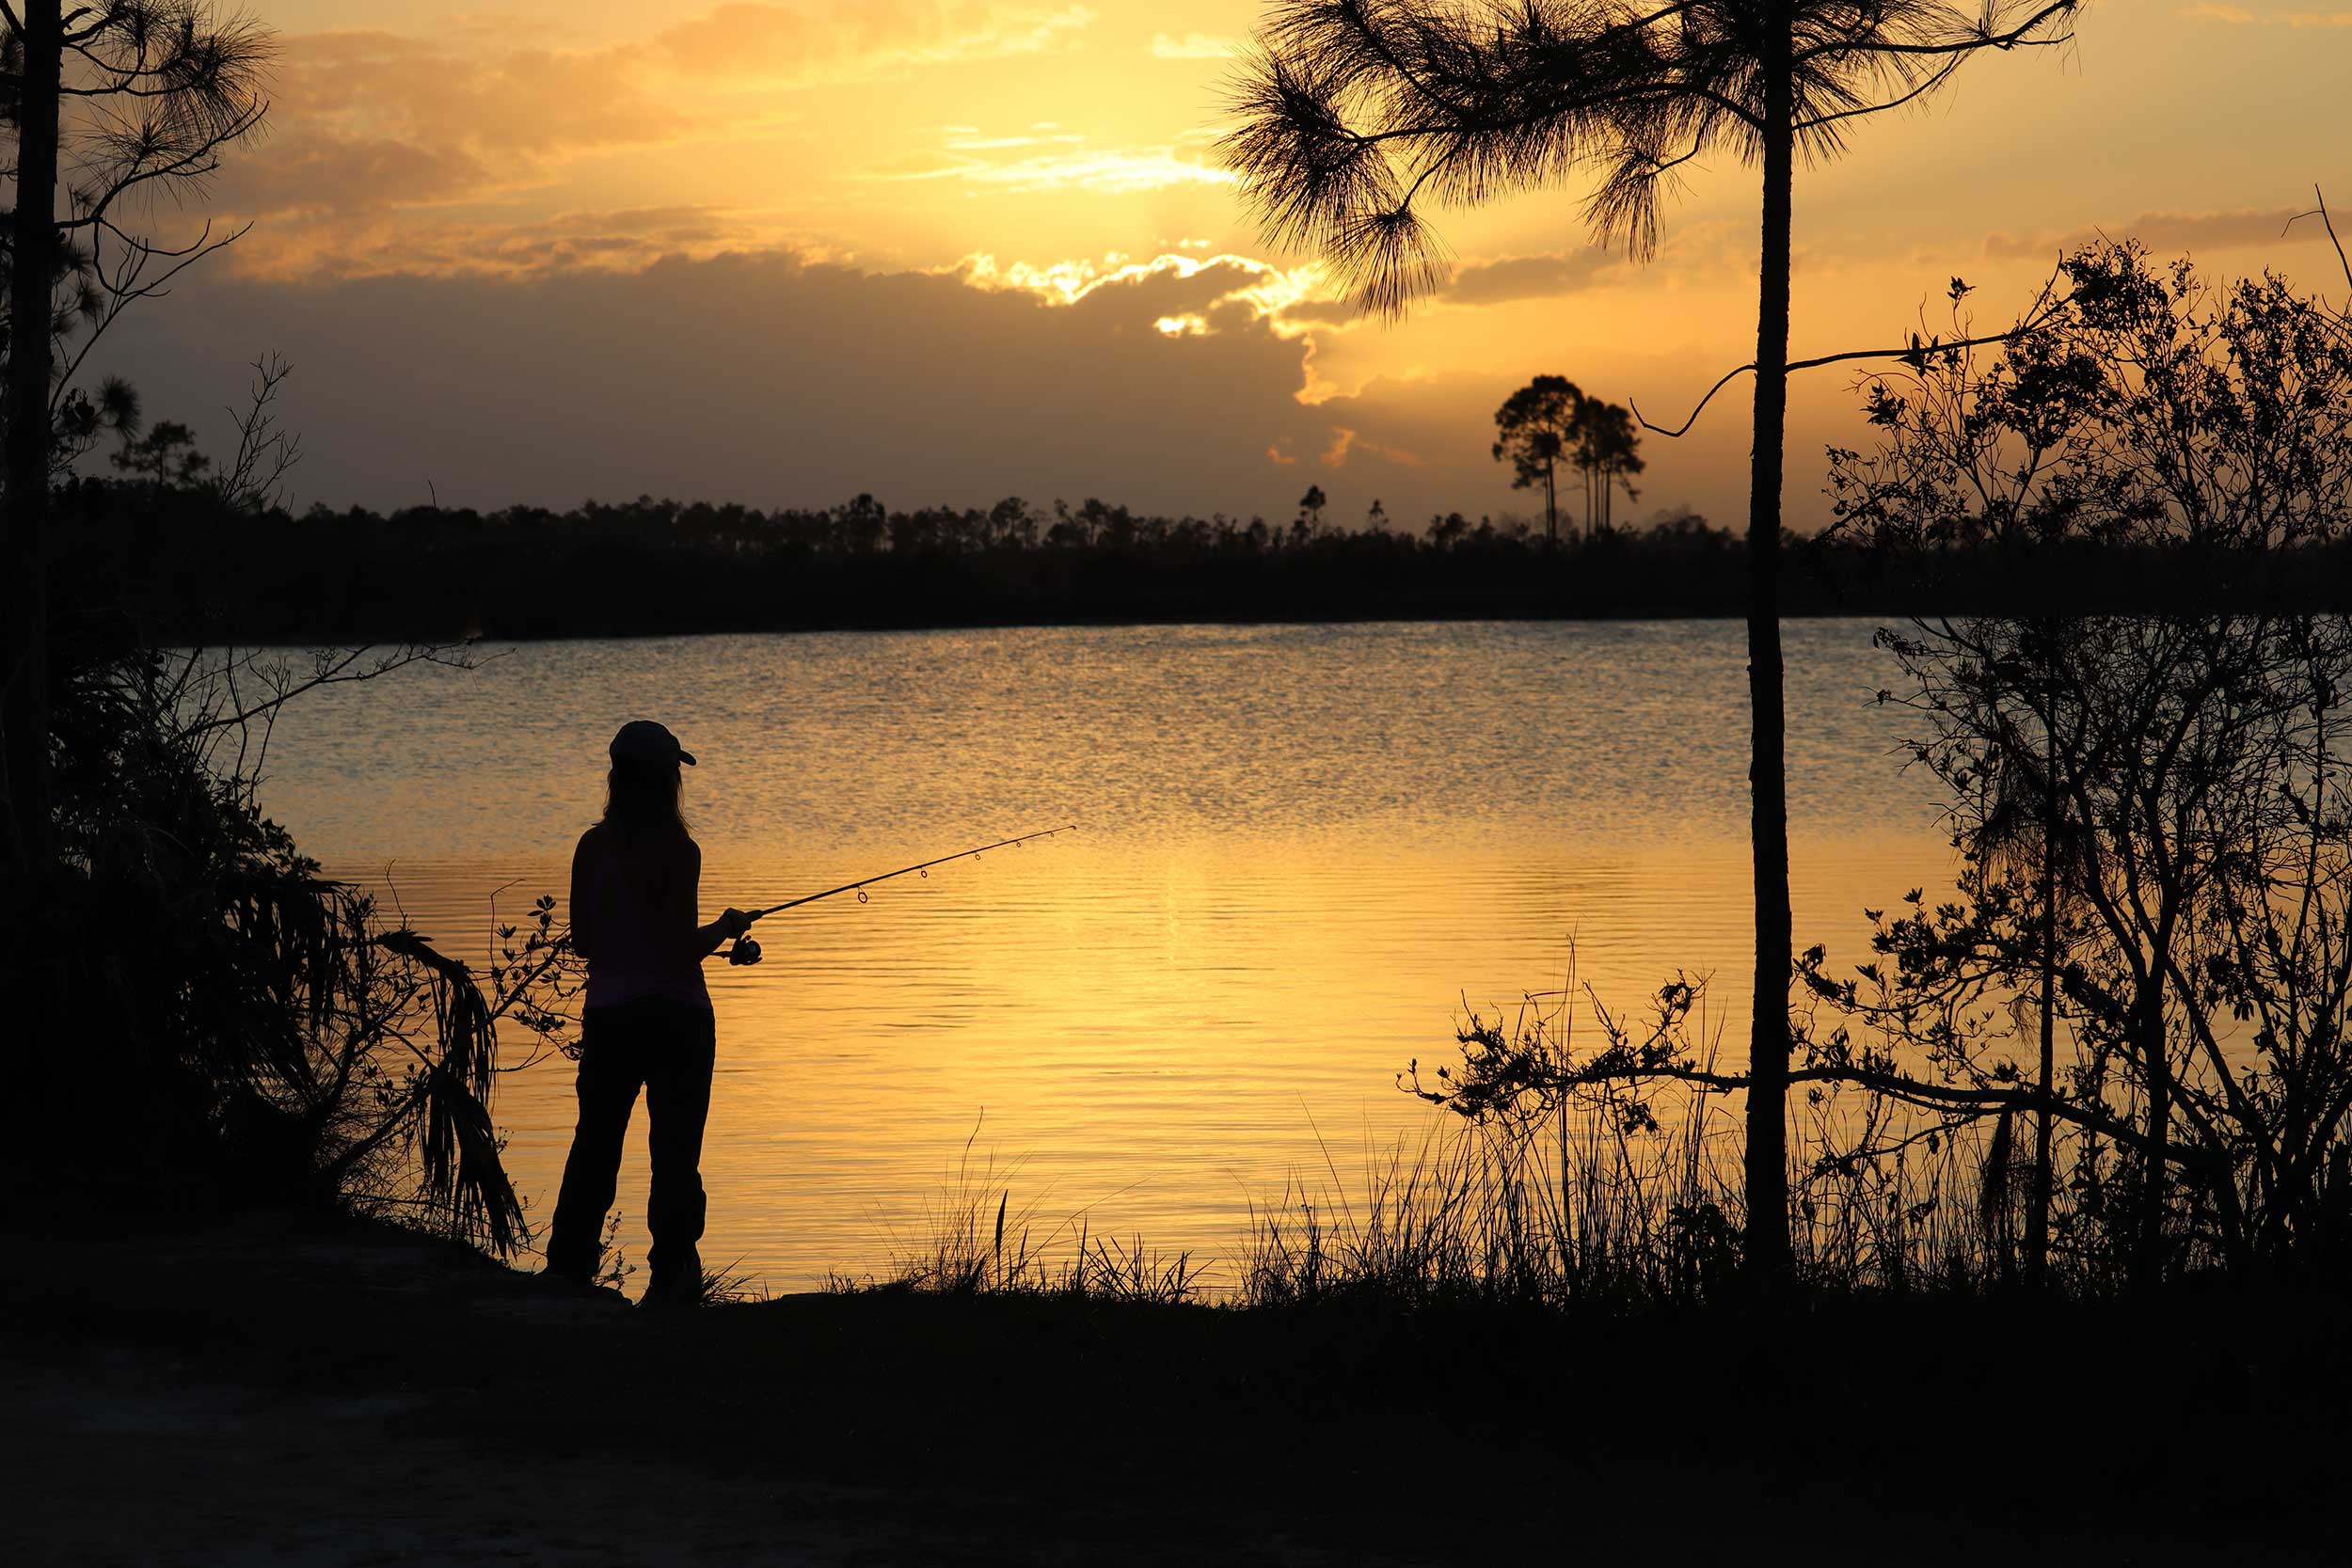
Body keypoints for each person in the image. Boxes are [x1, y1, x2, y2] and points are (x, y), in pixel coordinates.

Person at [546, 720, 756, 1304]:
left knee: (596, 1143)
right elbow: (677, 949)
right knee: (675, 1153)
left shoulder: (592, 847)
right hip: (678, 1020)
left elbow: (584, 941)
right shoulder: (678, 850)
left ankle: (567, 1270)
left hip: (611, 1017)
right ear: (667, 780)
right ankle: (672, 1280)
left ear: (616, 778)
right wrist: (728, 926)